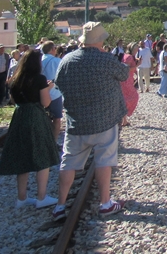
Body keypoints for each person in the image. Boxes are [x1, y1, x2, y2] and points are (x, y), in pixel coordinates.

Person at [52, 22, 128, 220]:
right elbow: (124, 74)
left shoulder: (67, 60)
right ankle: (105, 203)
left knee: (68, 162)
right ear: (100, 40)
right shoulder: (105, 59)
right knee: (104, 160)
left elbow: (59, 83)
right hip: (104, 119)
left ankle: (60, 205)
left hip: (76, 121)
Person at [0, 49, 61, 209]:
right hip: (35, 116)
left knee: (22, 156)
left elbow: (13, 100)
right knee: (42, 155)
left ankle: (21, 198)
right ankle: (41, 197)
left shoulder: (15, 79)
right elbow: (45, 103)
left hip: (19, 116)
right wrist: (49, 87)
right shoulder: (39, 79)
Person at [40, 41, 64, 144]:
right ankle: (54, 142)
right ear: (52, 49)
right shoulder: (58, 61)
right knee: (57, 118)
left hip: (41, 93)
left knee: (43, 119)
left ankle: (43, 140)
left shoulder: (39, 61)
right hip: (55, 93)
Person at [120, 42, 139, 126]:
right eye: (135, 49)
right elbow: (126, 68)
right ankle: (124, 117)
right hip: (126, 80)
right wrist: (138, 65)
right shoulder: (129, 57)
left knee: (125, 99)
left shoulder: (126, 56)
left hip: (126, 79)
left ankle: (124, 120)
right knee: (133, 97)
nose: (137, 50)